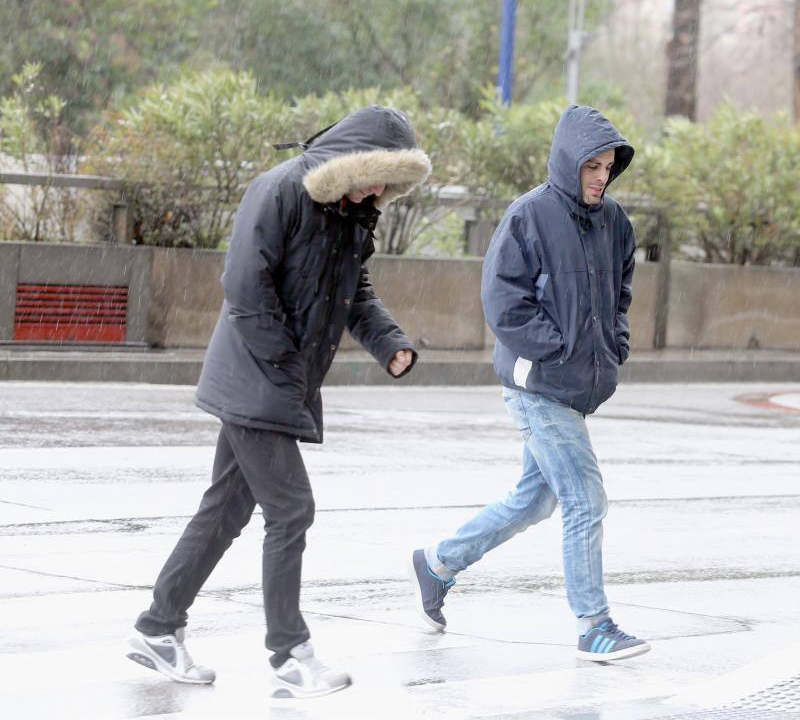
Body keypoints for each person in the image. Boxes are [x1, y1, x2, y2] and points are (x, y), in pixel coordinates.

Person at [127, 105, 431, 697]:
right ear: (353, 162)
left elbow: (354, 292)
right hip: (257, 372)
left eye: (390, 180)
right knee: (291, 510)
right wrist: (287, 366)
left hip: (280, 379)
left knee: (226, 509)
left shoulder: (353, 214)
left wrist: (390, 343)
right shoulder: (280, 190)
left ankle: (158, 628)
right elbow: (244, 288)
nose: (379, 189)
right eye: (376, 173)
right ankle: (289, 654)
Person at [409, 105, 650, 662]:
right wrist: (561, 349)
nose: (600, 176)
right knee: (585, 499)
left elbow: (621, 296)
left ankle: (438, 562)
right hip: (536, 385)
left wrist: (613, 345)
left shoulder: (616, 223)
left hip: (577, 385)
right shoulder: (529, 216)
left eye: (608, 166)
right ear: (569, 162)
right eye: (591, 165)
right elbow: (503, 303)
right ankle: (594, 625)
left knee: (535, 499)